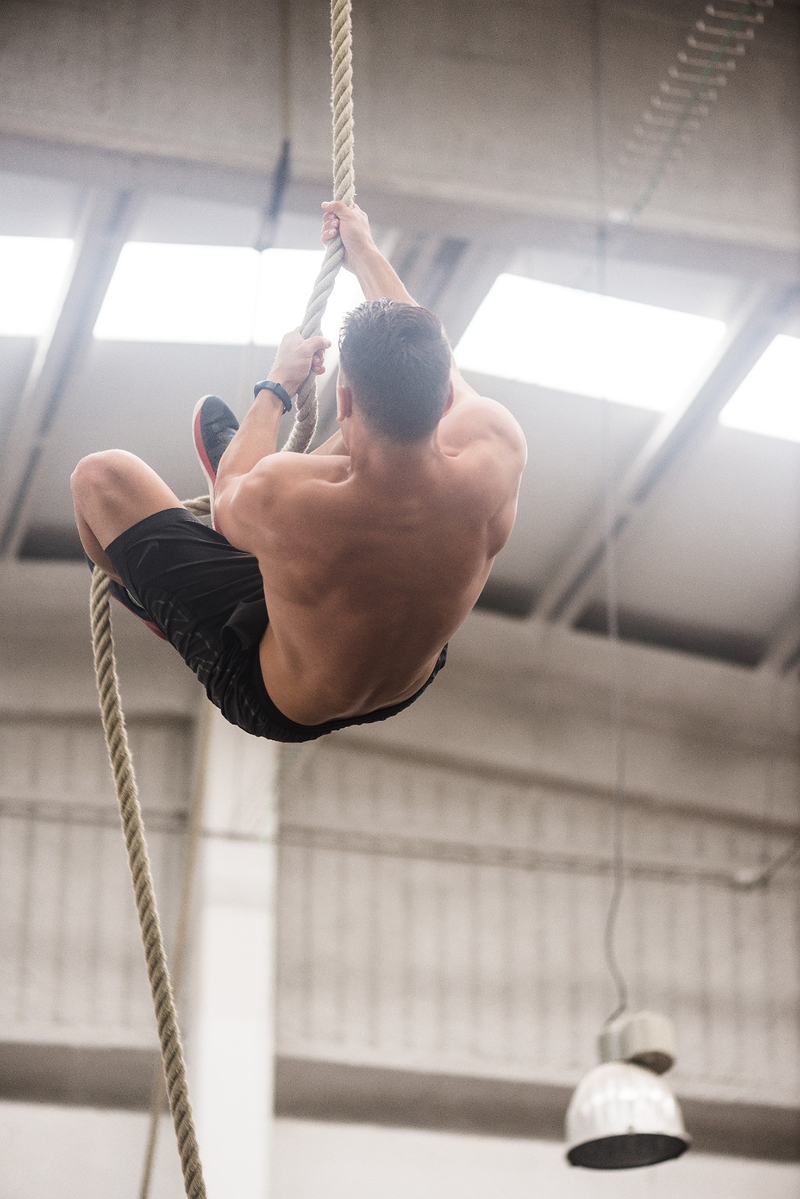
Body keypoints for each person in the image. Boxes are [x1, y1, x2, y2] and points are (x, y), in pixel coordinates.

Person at [71, 202, 527, 743]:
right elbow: (434, 354)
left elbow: (228, 498)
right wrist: (365, 253)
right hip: (404, 674)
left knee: (98, 478)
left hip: (275, 696)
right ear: (444, 392)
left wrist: (278, 386)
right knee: (366, 459)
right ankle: (267, 524)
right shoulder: (495, 444)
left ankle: (158, 606)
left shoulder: (280, 497)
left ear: (344, 397)